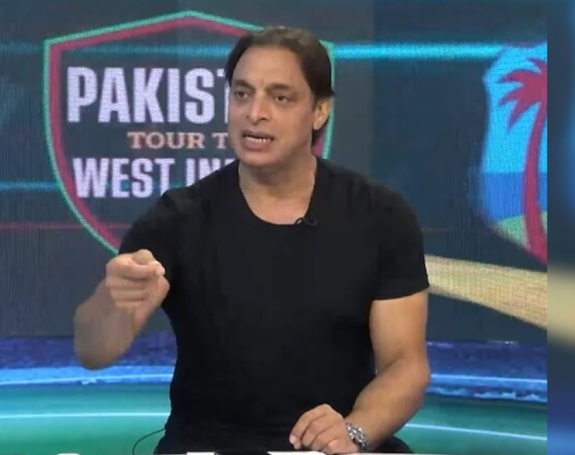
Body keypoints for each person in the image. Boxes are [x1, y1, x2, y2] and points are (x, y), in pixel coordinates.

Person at [73, 25, 431, 455]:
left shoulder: (379, 215)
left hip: (336, 445)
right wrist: (114, 302)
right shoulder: (178, 218)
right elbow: (93, 351)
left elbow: (405, 366)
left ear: (319, 111)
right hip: (208, 445)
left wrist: (354, 431)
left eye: (280, 98)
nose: (254, 112)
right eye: (242, 94)